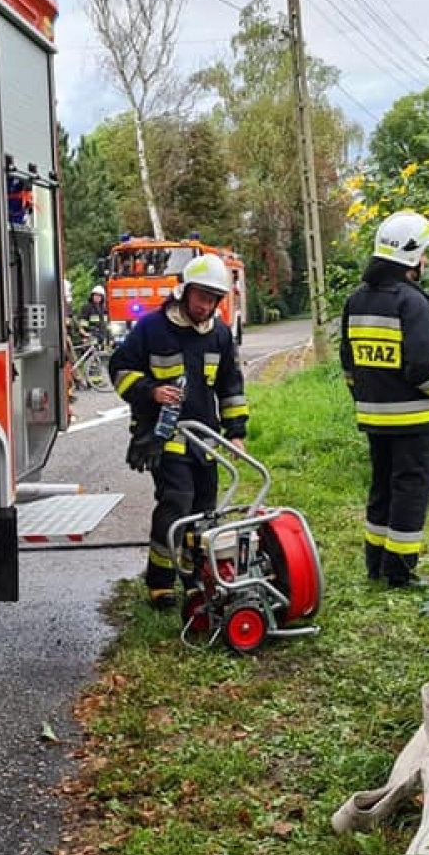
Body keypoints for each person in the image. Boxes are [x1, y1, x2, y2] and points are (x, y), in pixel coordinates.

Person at [109, 252, 249, 607]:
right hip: (165, 436)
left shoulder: (218, 334)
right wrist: (150, 391)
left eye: (213, 299)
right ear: (185, 292)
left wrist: (236, 432)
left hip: (206, 439)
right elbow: (120, 369)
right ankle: (160, 582)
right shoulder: (153, 328)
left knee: (205, 509)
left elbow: (231, 387)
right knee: (176, 503)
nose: (206, 306)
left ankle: (195, 578)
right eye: (201, 297)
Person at [339, 210, 429, 590]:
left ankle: (376, 564)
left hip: (374, 418)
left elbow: (349, 365)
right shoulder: (412, 303)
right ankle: (401, 573)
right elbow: (425, 368)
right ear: (411, 256)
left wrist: (368, 397)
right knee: (411, 490)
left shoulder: (356, 301)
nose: (426, 261)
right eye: (425, 253)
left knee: (382, 488)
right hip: (414, 421)